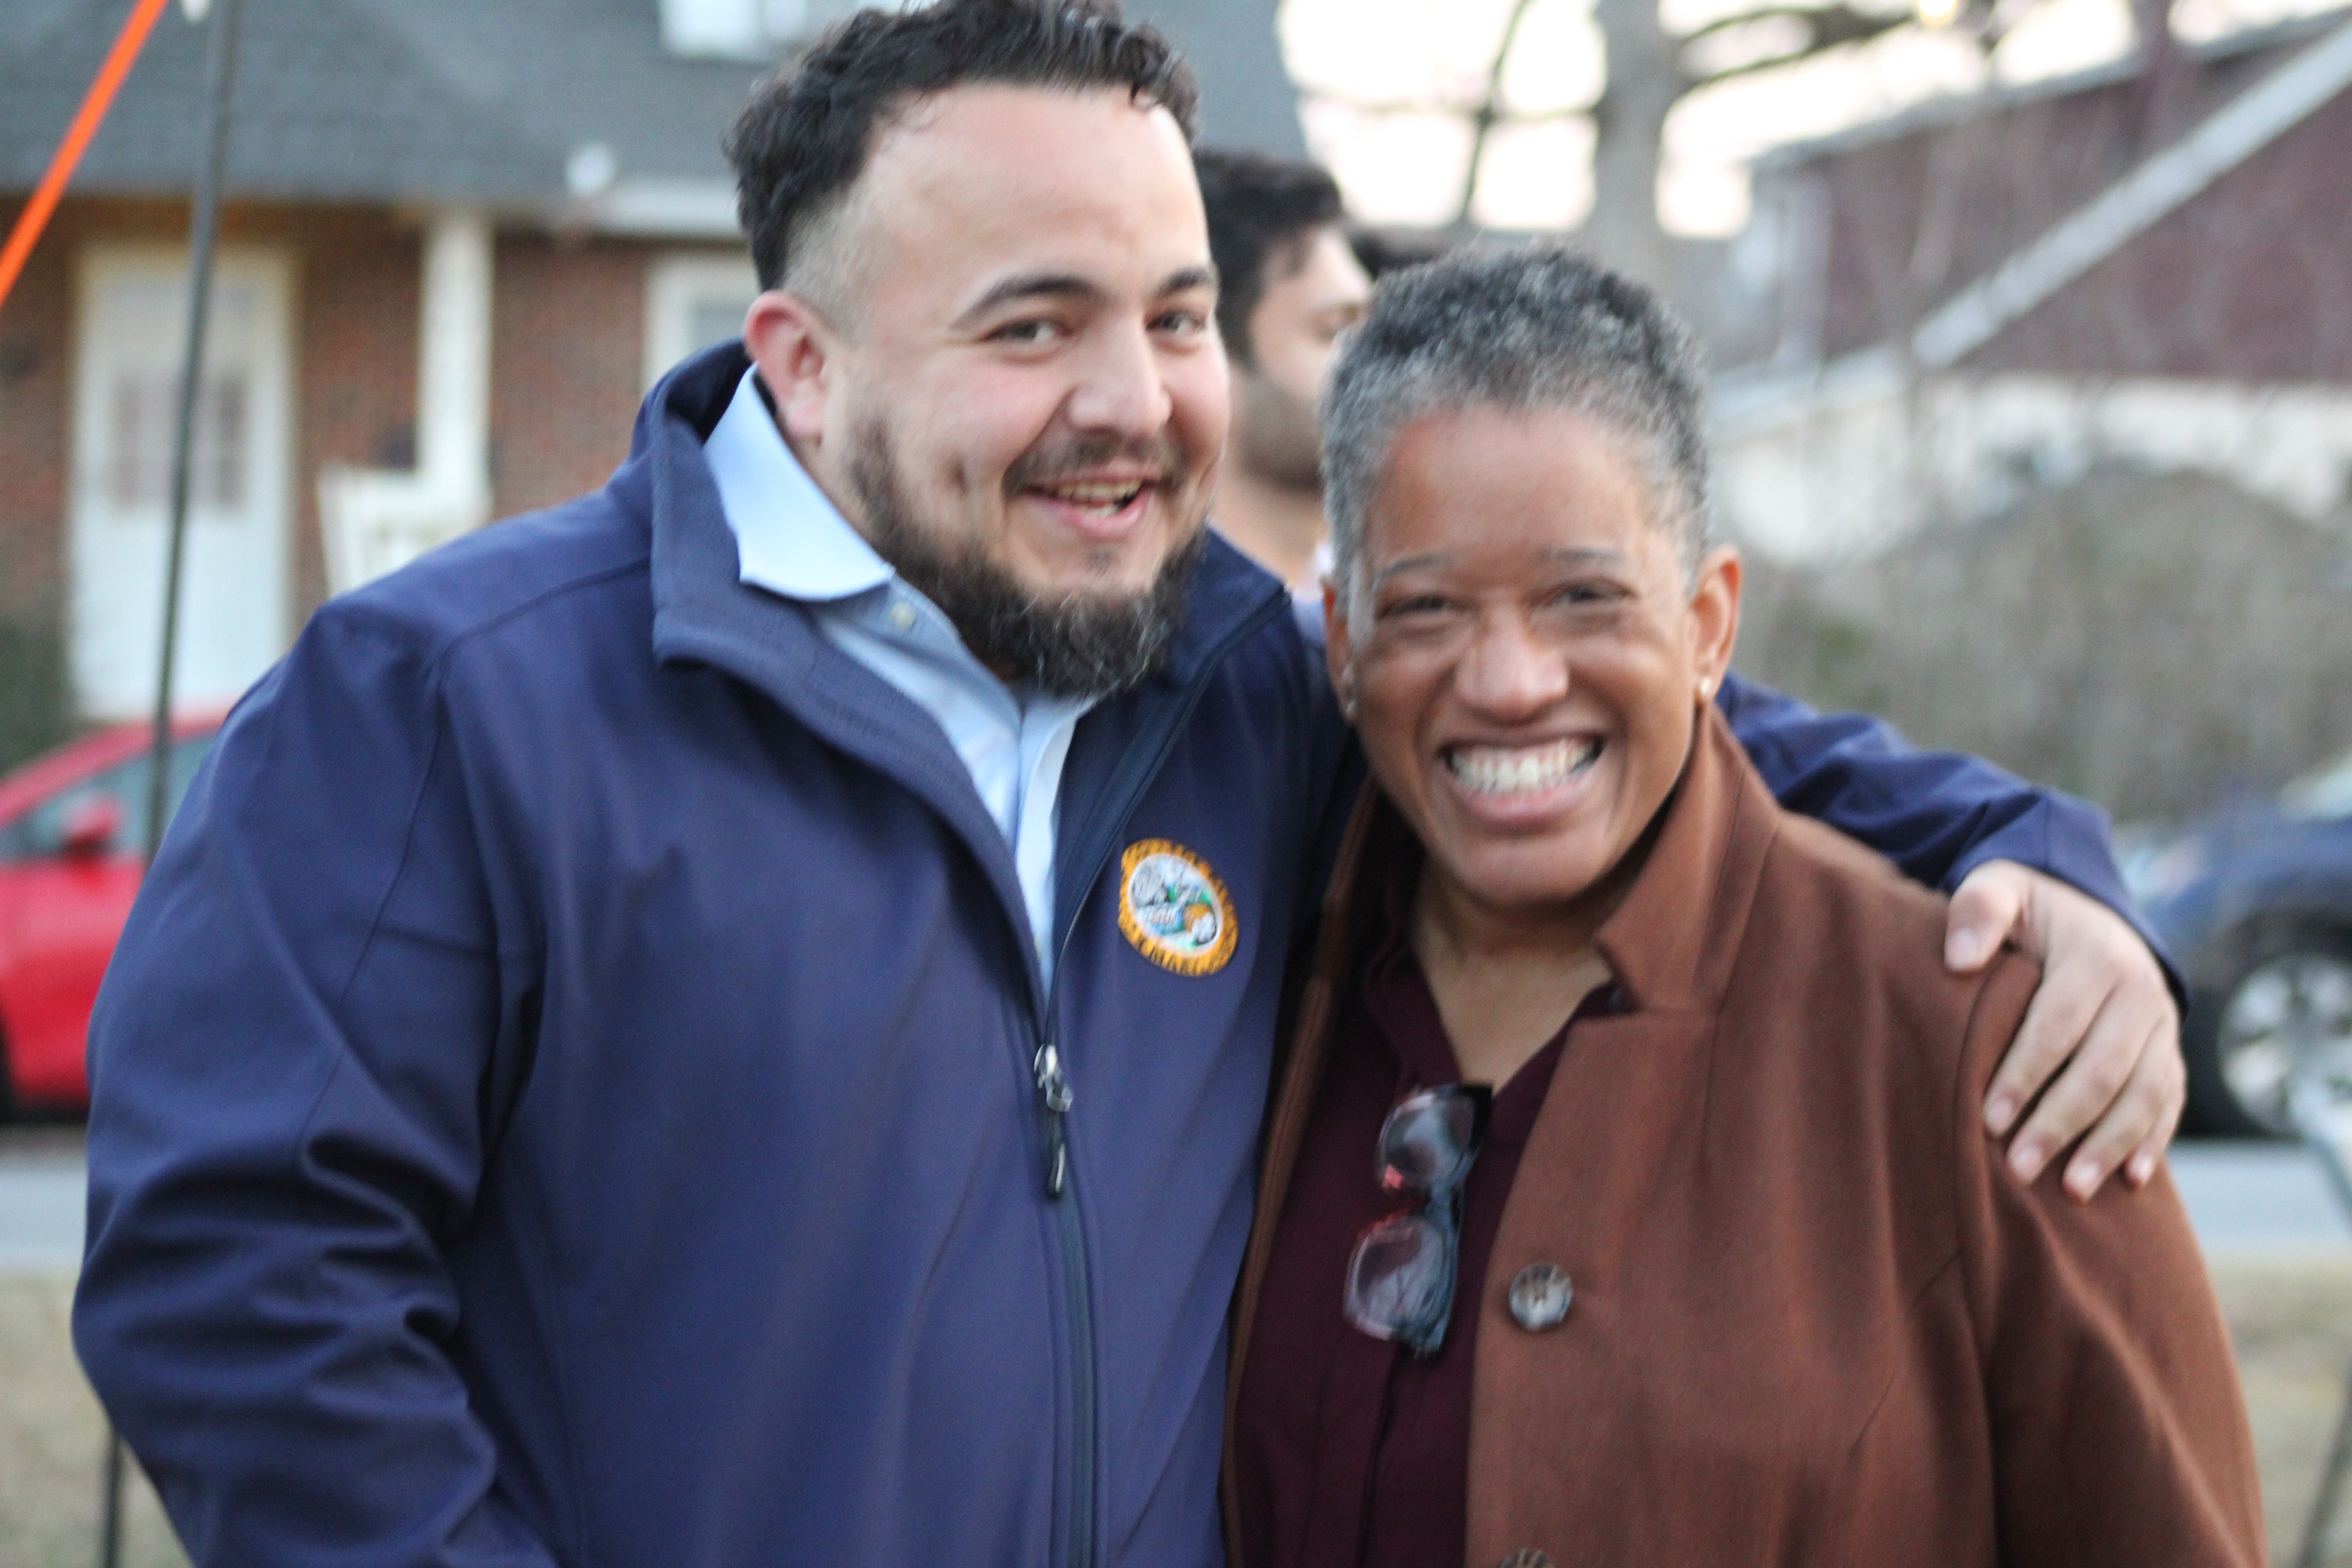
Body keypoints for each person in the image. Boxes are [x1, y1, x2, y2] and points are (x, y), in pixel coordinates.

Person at [71, 3, 2178, 1564]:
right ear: (802, 365)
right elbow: (241, 1277)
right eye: (1034, 326)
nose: (1134, 403)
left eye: (1176, 316)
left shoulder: (1237, 680)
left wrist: (2026, 856)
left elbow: (1571, 723)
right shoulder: (454, 705)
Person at [1225, 245, 2263, 1568]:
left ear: (1711, 625)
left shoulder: (1992, 1045)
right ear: (1341, 640)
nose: (1509, 680)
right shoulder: (1257, 990)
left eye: (1583, 597)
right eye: (1427, 609)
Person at [1194, 149, 1370, 595]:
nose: (1383, 361)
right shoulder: (1139, 649)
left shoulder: (1384, 623)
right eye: (1336, 333)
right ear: (1211, 356)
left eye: (1375, 330)